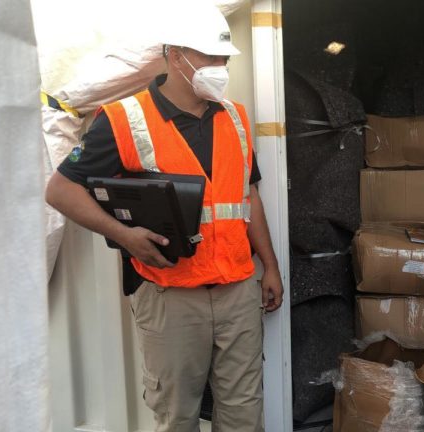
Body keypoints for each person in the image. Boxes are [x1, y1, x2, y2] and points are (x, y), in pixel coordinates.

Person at [45, 5, 282, 431]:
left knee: (245, 413)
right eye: (209, 56)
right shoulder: (122, 118)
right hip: (170, 294)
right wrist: (124, 235)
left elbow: (248, 195)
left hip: (237, 288)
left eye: (224, 58)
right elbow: (60, 190)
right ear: (175, 55)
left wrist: (271, 266)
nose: (220, 67)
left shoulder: (235, 117)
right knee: (177, 416)